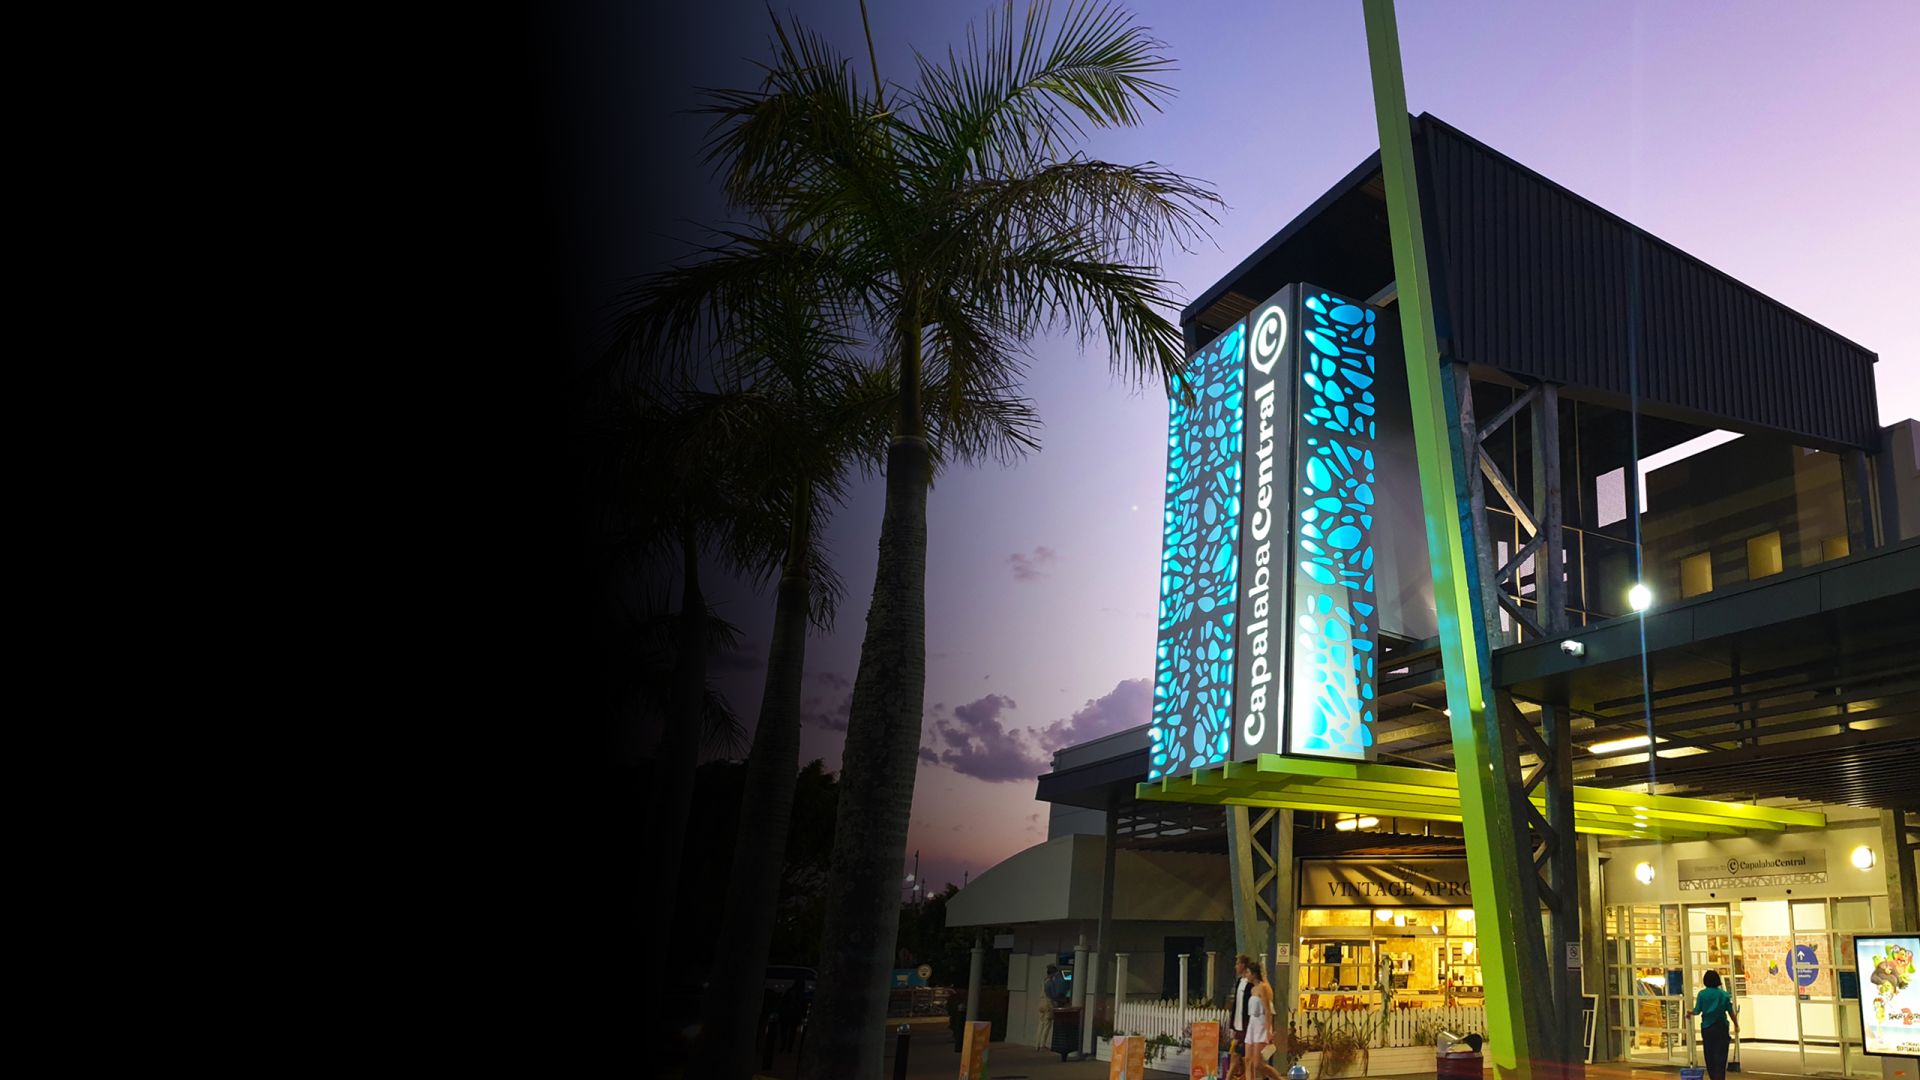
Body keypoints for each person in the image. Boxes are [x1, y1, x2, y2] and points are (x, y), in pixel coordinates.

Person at [1688, 968, 1739, 1080]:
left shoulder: (1702, 994)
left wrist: (1689, 1013)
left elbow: (1697, 1011)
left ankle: (1713, 1077)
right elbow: (1730, 1011)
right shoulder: (1724, 995)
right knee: (1721, 1056)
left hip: (1707, 1028)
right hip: (1721, 1027)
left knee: (1709, 1055)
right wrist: (1736, 1024)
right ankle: (1720, 1077)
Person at [1241, 957, 1284, 1080]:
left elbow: (1267, 1011)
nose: (1246, 975)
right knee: (1248, 1060)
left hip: (1261, 1024)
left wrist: (1268, 1031)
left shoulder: (1263, 987)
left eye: (1248, 973)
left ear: (1254, 974)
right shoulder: (1252, 989)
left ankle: (1279, 1079)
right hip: (1252, 1024)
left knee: (1258, 1064)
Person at [1227, 955, 1254, 1080]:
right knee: (1238, 1057)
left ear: (1243, 965)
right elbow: (1237, 1004)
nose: (1236, 966)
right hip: (1238, 1025)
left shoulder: (1251, 984)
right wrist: (1233, 1024)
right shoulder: (1239, 981)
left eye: (1238, 963)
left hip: (1246, 1025)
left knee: (1241, 1057)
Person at [1036, 964, 1066, 1049]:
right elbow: (1053, 994)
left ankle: (1037, 1044)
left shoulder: (1044, 980)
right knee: (1047, 1024)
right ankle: (1043, 1044)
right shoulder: (1050, 981)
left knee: (1040, 1023)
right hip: (1048, 1004)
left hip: (1041, 1003)